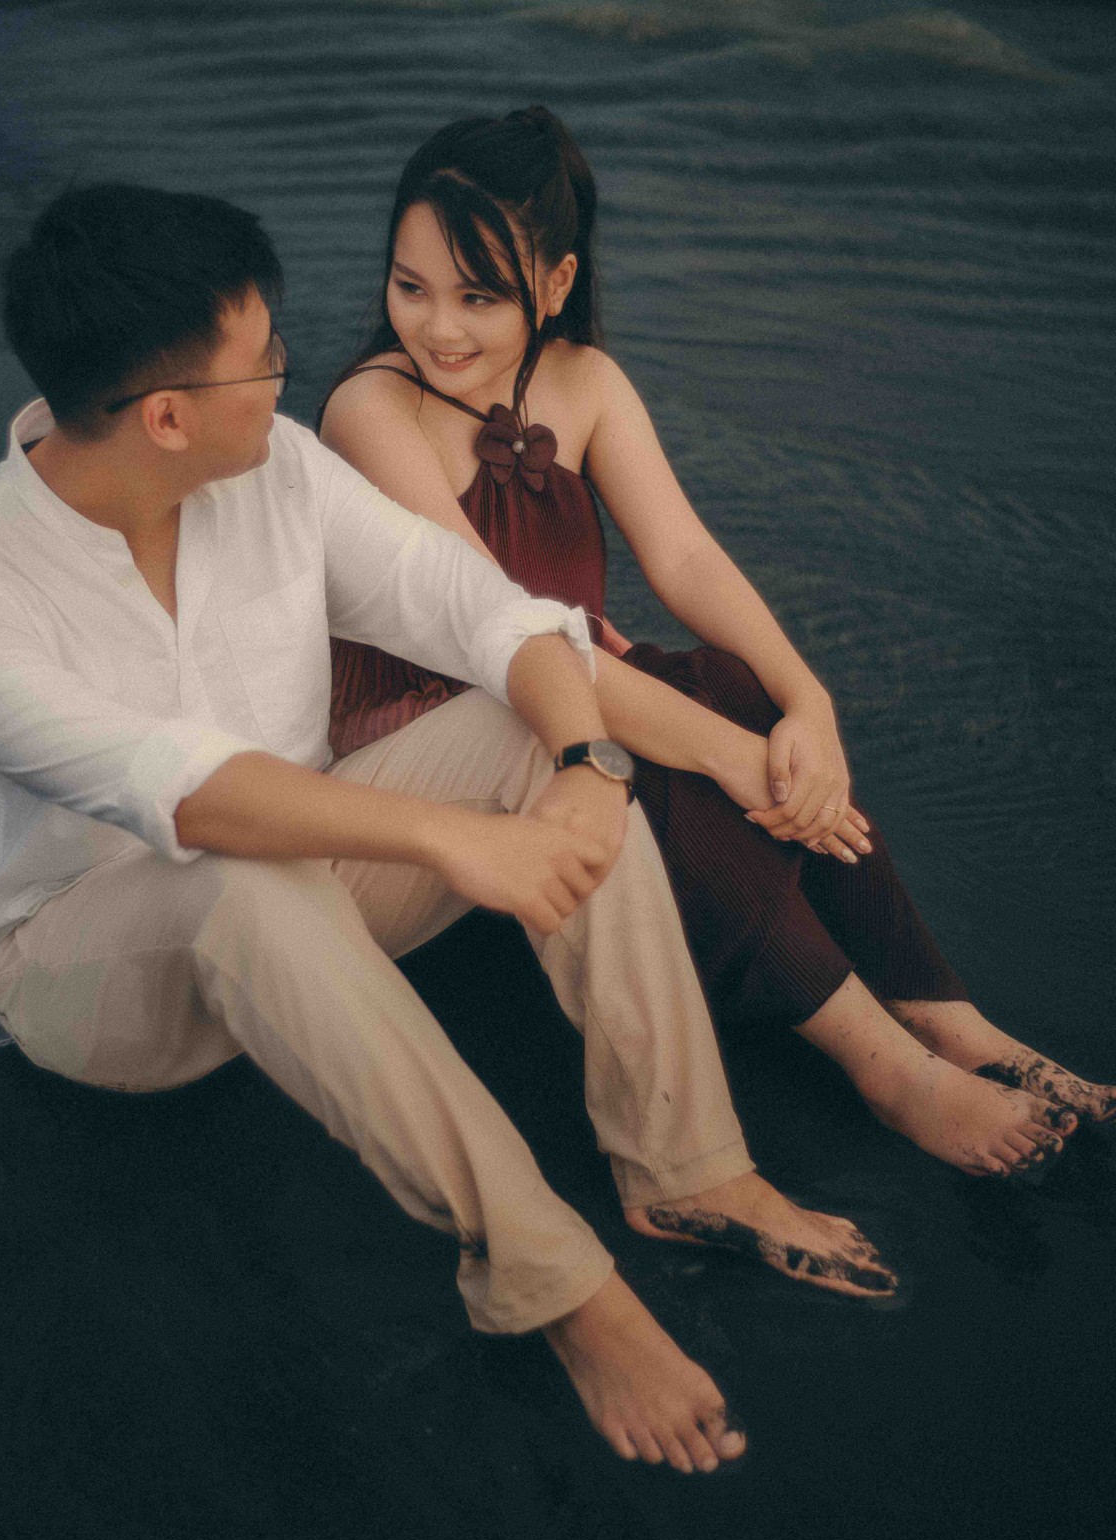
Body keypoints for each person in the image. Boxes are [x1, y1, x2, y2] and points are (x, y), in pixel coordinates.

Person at [0, 185, 913, 1481]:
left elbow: (478, 609)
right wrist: (447, 843)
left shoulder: (276, 470)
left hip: (315, 903)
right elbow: (177, 790)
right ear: (166, 416)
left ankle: (684, 1166)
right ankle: (559, 1286)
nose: (290, 374)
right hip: (96, 982)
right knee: (233, 881)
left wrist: (585, 764)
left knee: (516, 725)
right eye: (264, 357)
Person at [319, 105, 1112, 1178]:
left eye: (479, 297)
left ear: (553, 285)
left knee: (731, 687)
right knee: (664, 754)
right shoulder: (372, 412)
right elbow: (501, 639)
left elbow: (684, 557)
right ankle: (883, 1065)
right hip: (449, 745)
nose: (438, 329)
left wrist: (807, 705)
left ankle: (941, 1011)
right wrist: (730, 758)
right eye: (410, 287)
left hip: (570, 686)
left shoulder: (583, 380)